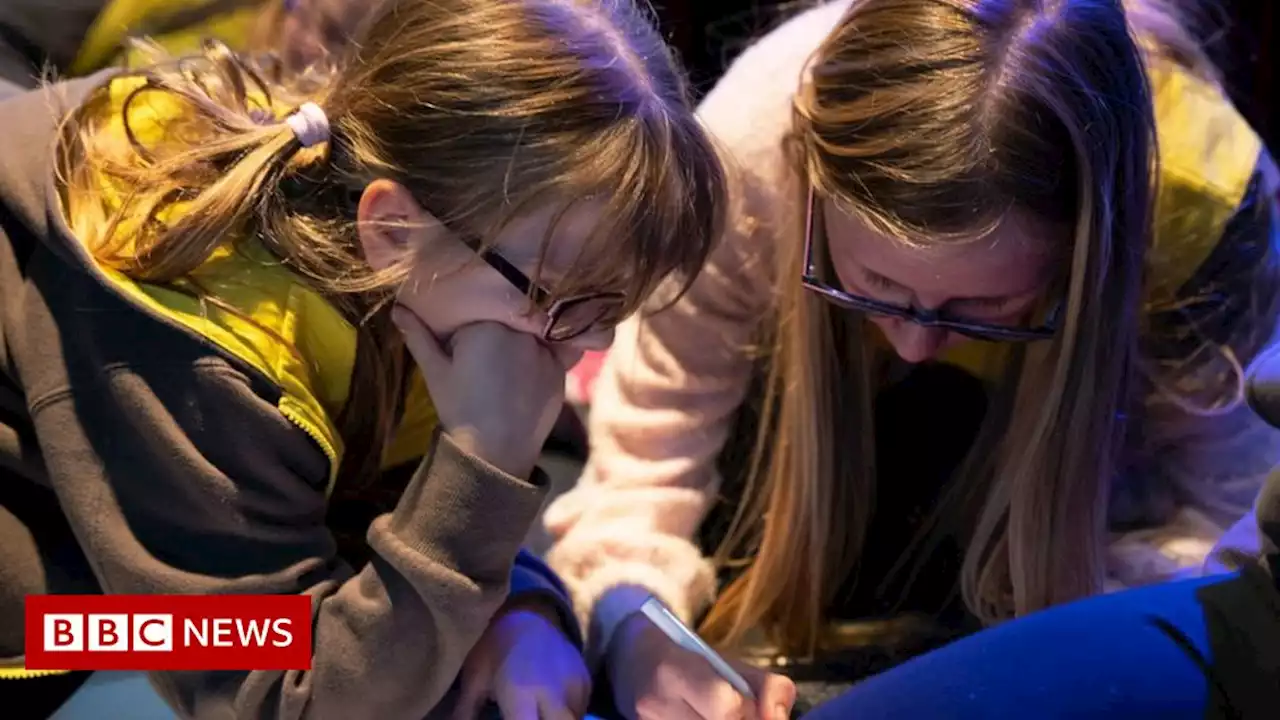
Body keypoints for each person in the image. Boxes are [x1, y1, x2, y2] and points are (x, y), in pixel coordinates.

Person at [542, 0, 1280, 718]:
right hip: (789, 472)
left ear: (1087, 251)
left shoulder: (1209, 207)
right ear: (808, 186)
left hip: (1088, 516)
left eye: (982, 308)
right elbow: (642, 471)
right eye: (877, 286)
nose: (914, 343)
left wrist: (1076, 651)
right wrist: (636, 626)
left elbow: (1225, 534)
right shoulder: (744, 151)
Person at [0, 0, 724, 717]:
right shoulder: (198, 344)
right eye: (563, 298)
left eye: (612, 308)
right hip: (52, 627)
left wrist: (515, 612)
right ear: (393, 226)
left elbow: (374, 503)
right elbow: (269, 694)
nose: (591, 344)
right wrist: (487, 467)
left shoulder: (407, 246)